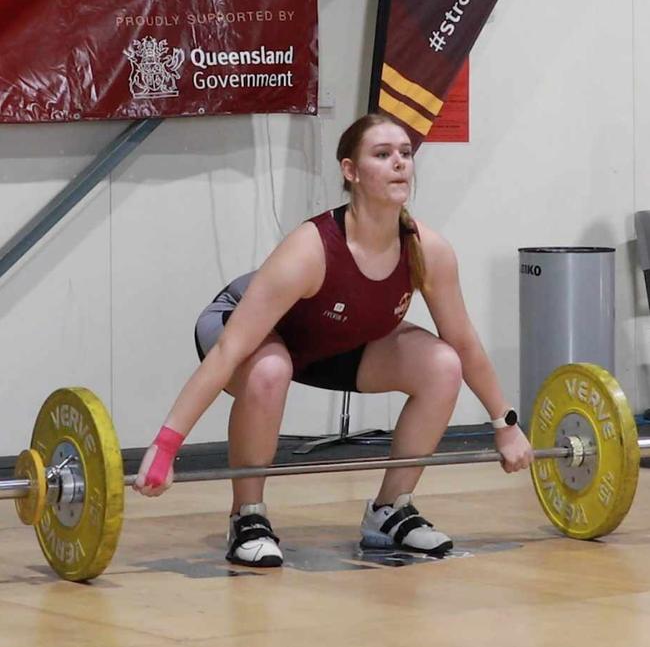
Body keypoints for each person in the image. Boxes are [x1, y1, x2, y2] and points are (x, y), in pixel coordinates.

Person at [134, 113, 533, 566]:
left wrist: (505, 424)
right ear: (351, 171)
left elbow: (464, 342)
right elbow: (230, 350)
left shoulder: (428, 249)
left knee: (443, 364)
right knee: (269, 368)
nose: (399, 163)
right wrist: (166, 447)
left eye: (405, 154)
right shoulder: (311, 248)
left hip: (333, 344)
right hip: (247, 332)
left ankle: (390, 511)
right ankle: (247, 515)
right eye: (382, 155)